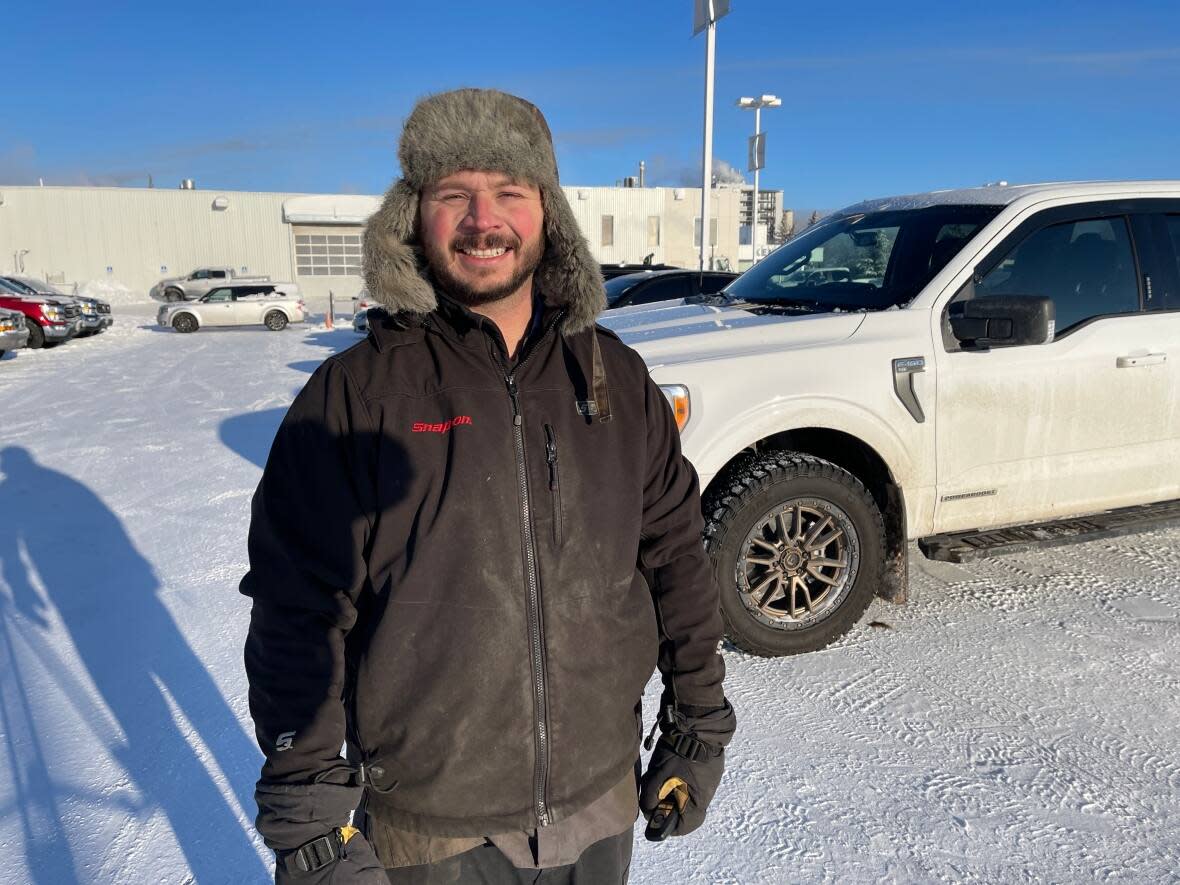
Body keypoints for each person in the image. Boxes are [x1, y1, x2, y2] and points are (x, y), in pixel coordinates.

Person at [241, 87, 735, 884]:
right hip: (430, 835)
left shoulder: (615, 378)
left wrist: (698, 723)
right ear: (413, 215)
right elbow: (298, 613)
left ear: (548, 213)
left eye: (509, 191)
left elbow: (676, 555)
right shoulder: (356, 397)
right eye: (454, 195)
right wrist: (309, 816)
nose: (483, 220)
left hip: (597, 807)